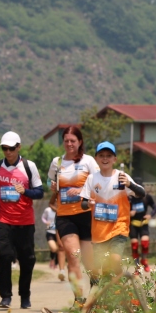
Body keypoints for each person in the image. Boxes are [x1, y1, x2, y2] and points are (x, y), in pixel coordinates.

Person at [0, 132, 44, 308]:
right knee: (4, 256)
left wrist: (25, 192)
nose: (8, 152)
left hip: (25, 222)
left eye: (11, 148)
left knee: (27, 260)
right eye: (4, 148)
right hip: (5, 219)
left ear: (19, 147)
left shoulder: (29, 167)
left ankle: (25, 296)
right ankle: (5, 296)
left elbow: (40, 192)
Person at [80, 142, 147, 278]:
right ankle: (118, 290)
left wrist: (130, 185)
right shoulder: (92, 179)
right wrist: (89, 203)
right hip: (99, 232)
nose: (105, 159)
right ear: (96, 159)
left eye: (109, 156)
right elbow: (83, 203)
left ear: (114, 159)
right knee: (104, 271)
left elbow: (141, 193)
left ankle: (123, 278)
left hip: (119, 228)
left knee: (115, 261)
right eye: (102, 156)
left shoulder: (122, 177)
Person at [47, 126, 99, 298]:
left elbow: (99, 185)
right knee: (73, 256)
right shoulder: (57, 162)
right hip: (65, 216)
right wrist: (52, 186)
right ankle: (79, 300)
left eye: (73, 141)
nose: (69, 144)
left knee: (90, 262)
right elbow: (50, 182)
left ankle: (96, 295)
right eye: (66, 141)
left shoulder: (88, 161)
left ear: (80, 142)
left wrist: (82, 191)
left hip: (86, 215)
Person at [128, 191, 156, 272]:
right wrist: (129, 213)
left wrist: (150, 215)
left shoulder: (147, 197)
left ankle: (144, 260)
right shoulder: (129, 198)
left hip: (143, 223)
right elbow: (121, 211)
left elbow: (155, 208)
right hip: (133, 224)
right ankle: (137, 267)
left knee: (145, 243)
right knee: (134, 246)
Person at [41, 204, 65, 280]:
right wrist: (46, 222)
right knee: (54, 248)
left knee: (60, 248)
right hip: (50, 231)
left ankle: (57, 264)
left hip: (59, 232)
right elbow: (43, 217)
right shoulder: (48, 210)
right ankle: (52, 260)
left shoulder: (62, 209)